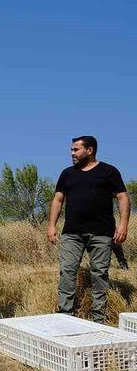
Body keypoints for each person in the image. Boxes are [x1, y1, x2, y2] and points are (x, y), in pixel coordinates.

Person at [47, 135, 130, 323]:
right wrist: (51, 225)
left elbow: (123, 197)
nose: (72, 153)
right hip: (72, 233)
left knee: (99, 273)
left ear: (90, 150)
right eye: (71, 150)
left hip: (102, 232)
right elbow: (58, 200)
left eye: (76, 150)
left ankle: (98, 318)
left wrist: (123, 225)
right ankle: (66, 315)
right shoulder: (67, 173)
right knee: (67, 270)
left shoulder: (109, 171)